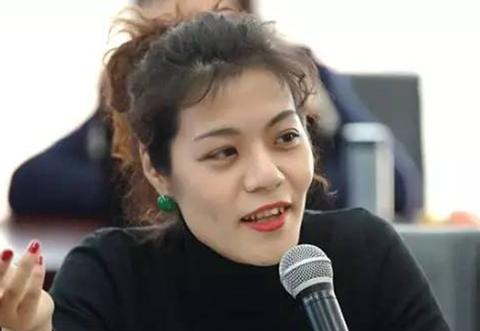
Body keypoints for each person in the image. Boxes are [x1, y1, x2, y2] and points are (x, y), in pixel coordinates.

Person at [0, 9, 478, 331]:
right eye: (223, 152)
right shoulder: (111, 274)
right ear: (158, 170)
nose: (266, 176)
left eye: (286, 137)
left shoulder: (364, 251)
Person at [7, 0, 422, 224]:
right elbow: (30, 184)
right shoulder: (137, 95)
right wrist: (150, 190)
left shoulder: (303, 76)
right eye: (222, 151)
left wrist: (302, 185)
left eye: (284, 136)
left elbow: (397, 187)